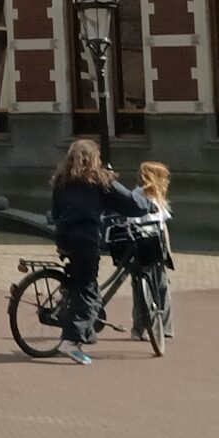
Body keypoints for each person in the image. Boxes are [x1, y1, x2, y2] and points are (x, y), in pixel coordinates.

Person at [47, 138, 149, 365]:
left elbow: (55, 213)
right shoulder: (100, 179)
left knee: (79, 282)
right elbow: (130, 204)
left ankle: (78, 324)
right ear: (94, 158)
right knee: (88, 290)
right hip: (85, 239)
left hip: (64, 237)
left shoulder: (61, 179)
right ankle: (71, 341)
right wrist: (148, 203)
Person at [127, 161, 175, 342]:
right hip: (144, 246)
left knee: (159, 286)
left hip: (154, 246)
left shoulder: (156, 198)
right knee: (148, 288)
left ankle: (158, 327)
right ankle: (144, 328)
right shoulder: (138, 197)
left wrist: (167, 251)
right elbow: (158, 226)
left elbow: (163, 226)